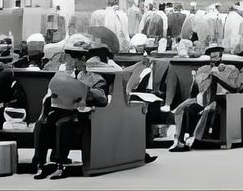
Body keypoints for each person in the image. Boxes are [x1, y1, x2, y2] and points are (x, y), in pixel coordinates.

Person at [32, 38, 108, 180]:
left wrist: (87, 91)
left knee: (63, 124)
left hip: (81, 115)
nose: (70, 62)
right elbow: (51, 93)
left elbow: (103, 99)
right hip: (61, 108)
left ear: (83, 59)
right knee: (44, 123)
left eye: (73, 58)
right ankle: (41, 164)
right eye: (69, 58)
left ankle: (60, 165)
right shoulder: (64, 76)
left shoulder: (95, 78)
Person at [169, 43, 240, 151]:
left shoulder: (229, 69)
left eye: (215, 57)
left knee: (196, 109)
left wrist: (216, 75)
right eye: (211, 57)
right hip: (203, 99)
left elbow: (233, 88)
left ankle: (190, 140)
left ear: (221, 57)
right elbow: (195, 90)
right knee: (183, 108)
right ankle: (180, 141)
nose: (213, 60)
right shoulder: (204, 69)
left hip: (221, 101)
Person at [125, 34, 172, 141]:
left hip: (152, 94)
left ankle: (145, 139)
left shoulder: (162, 66)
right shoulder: (139, 65)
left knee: (148, 107)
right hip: (139, 93)